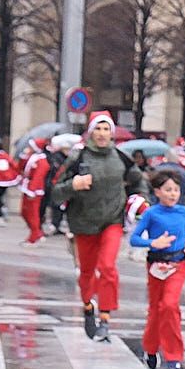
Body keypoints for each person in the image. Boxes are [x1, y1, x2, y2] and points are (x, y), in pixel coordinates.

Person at [51, 112, 146, 342]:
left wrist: (141, 199)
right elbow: (55, 193)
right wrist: (73, 185)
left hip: (112, 221)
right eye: (98, 129)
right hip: (83, 223)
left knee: (107, 267)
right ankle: (87, 307)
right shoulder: (78, 157)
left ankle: (105, 317)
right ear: (90, 132)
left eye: (106, 129)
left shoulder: (121, 157)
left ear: (111, 133)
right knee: (86, 272)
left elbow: (139, 181)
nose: (102, 134)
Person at [129, 169, 185, 369]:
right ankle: (150, 348)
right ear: (157, 192)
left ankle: (174, 357)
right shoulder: (151, 213)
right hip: (156, 266)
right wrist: (153, 242)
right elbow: (134, 239)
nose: (173, 194)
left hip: (178, 264)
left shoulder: (184, 212)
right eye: (168, 190)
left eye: (176, 190)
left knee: (169, 305)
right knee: (156, 309)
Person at [19, 143, 51, 244]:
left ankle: (34, 236)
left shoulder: (42, 161)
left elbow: (38, 176)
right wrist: (23, 157)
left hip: (34, 190)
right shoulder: (32, 157)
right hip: (27, 187)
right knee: (24, 212)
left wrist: (32, 190)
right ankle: (37, 232)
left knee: (32, 214)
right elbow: (20, 167)